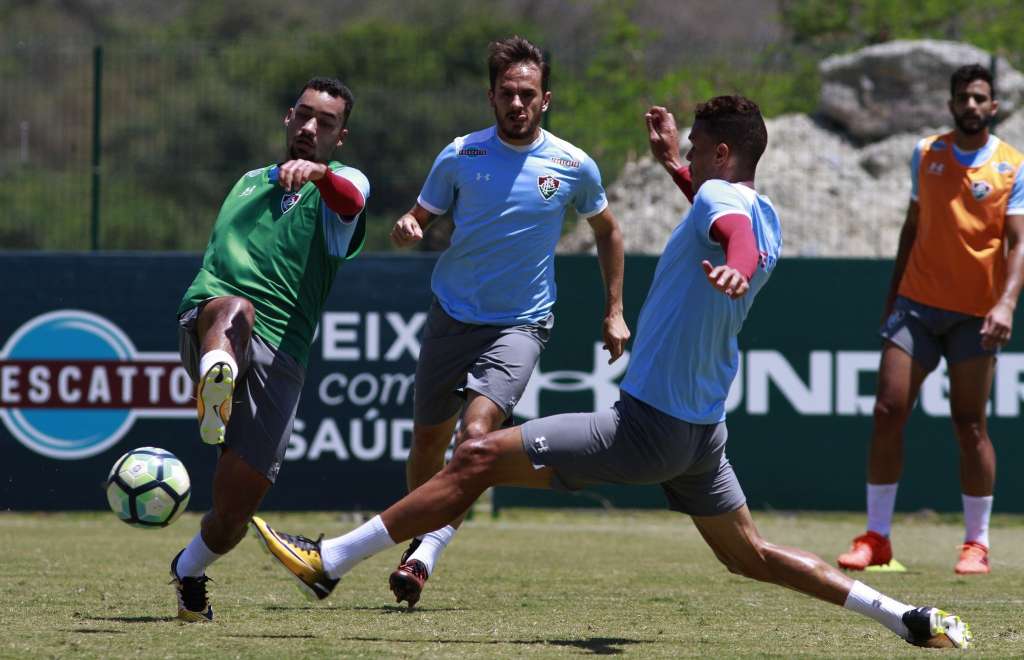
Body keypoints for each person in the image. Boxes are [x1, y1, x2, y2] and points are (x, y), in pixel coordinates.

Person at [251, 95, 972, 649]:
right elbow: (727, 211)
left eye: (694, 145)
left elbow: (732, 232)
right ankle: (902, 617)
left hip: (644, 429)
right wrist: (673, 169)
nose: (686, 150)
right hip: (701, 438)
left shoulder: (737, 217)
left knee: (472, 455)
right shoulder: (763, 205)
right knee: (749, 555)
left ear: (722, 151)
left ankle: (333, 560)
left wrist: (735, 266)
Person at [382, 35, 627, 607]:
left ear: (546, 99)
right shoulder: (461, 155)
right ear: (491, 96)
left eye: (528, 94)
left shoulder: (572, 164)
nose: (517, 104)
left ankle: (424, 556)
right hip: (452, 314)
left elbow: (608, 232)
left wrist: (614, 310)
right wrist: (407, 227)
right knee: (427, 445)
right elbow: (419, 216)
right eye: (507, 94)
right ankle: (425, 531)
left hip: (521, 323)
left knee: (475, 438)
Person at [168, 77, 370, 622]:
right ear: (288, 117)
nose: (310, 128)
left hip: (281, 355)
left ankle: (187, 570)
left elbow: (349, 201)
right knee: (233, 308)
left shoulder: (343, 186)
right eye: (303, 116)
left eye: (324, 123)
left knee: (235, 511)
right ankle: (217, 375)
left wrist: (322, 176)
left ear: (339, 136)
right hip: (212, 320)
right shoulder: (246, 182)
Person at [837, 64, 1024, 576]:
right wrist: (893, 293)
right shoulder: (926, 153)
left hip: (976, 314)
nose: (970, 104)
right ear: (950, 104)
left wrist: (1006, 303)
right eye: (962, 96)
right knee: (886, 411)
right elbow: (912, 226)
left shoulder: (1012, 165)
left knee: (970, 425)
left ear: (993, 106)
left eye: (979, 97)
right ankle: (876, 538)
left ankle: (976, 543)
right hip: (916, 305)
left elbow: (1018, 242)